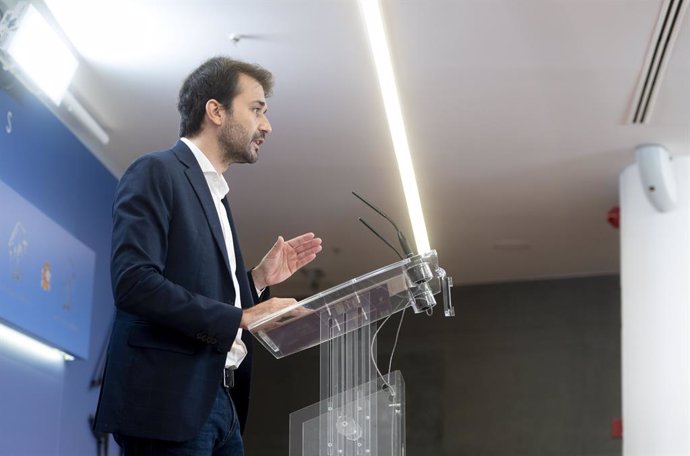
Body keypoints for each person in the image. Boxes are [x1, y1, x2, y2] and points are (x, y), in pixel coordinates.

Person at [93, 57, 322, 455]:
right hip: (169, 404)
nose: (266, 126)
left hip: (223, 402)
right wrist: (242, 316)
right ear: (215, 110)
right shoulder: (156, 171)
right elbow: (133, 282)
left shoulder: (217, 194)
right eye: (256, 110)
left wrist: (256, 282)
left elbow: (203, 292)